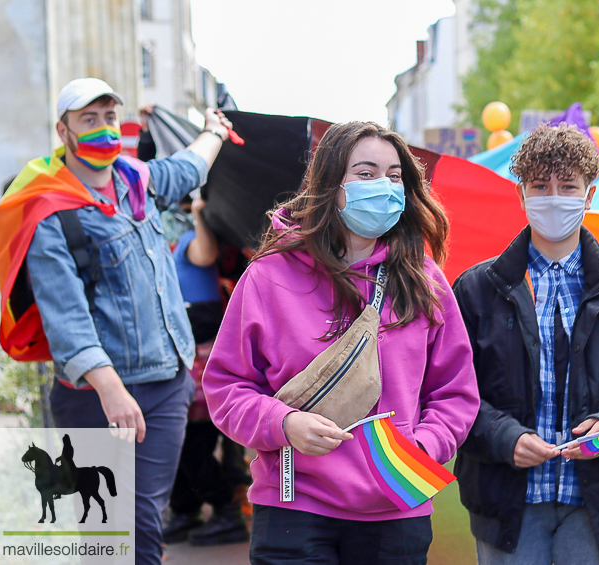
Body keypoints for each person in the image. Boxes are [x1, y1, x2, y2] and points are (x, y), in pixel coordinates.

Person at [202, 122, 480, 565]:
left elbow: (456, 393)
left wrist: (422, 449)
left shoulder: (426, 281)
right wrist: (283, 424)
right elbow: (226, 388)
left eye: (394, 176)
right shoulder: (268, 276)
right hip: (292, 505)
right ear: (331, 186)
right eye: (366, 173)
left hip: (397, 506)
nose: (385, 187)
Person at [10, 78, 231, 565]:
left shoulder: (138, 181)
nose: (104, 129)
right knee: (110, 530)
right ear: (63, 132)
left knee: (141, 524)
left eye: (109, 117)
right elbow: (66, 316)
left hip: (168, 384)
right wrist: (111, 390)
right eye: (89, 120)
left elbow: (189, 167)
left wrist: (215, 129)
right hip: (97, 397)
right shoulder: (52, 213)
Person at [452, 123, 599, 565]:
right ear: (521, 195)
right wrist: (503, 437)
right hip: (507, 504)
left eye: (567, 186)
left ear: (589, 196)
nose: (553, 197)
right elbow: (452, 394)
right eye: (540, 186)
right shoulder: (478, 288)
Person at [162, 192, 250, 546]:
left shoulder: (189, 239)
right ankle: (186, 510)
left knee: (192, 440)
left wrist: (198, 214)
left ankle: (225, 512)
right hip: (179, 351)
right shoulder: (162, 244)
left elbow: (207, 254)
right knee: (179, 440)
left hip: (201, 351)